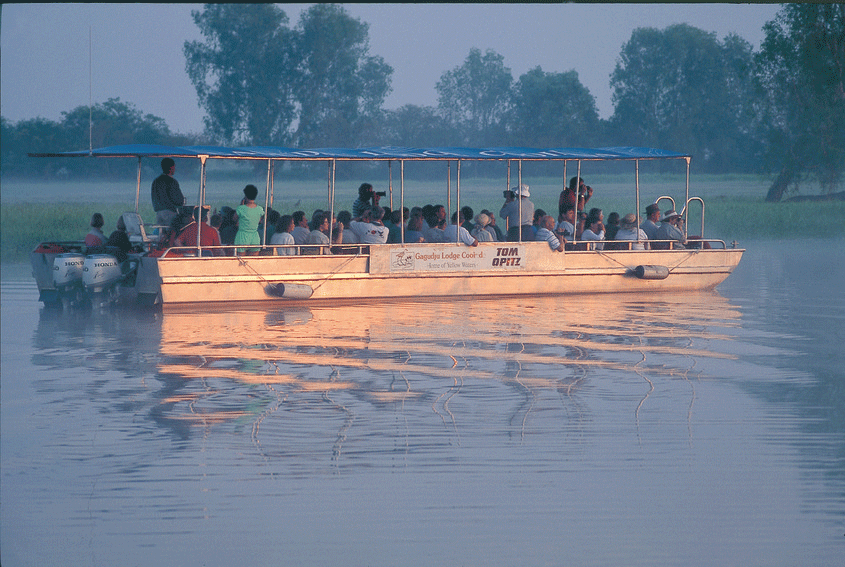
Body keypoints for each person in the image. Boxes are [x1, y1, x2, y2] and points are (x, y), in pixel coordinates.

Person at [151, 157, 185, 228]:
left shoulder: (156, 181)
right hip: (170, 212)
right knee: (173, 232)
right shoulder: (172, 181)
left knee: (161, 233)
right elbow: (178, 199)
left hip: (159, 212)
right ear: (171, 167)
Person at [233, 184, 264, 255]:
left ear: (245, 195)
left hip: (242, 235)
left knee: (240, 260)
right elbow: (260, 221)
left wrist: (241, 205)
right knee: (253, 260)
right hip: (254, 236)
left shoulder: (241, 208)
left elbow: (234, 219)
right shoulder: (260, 209)